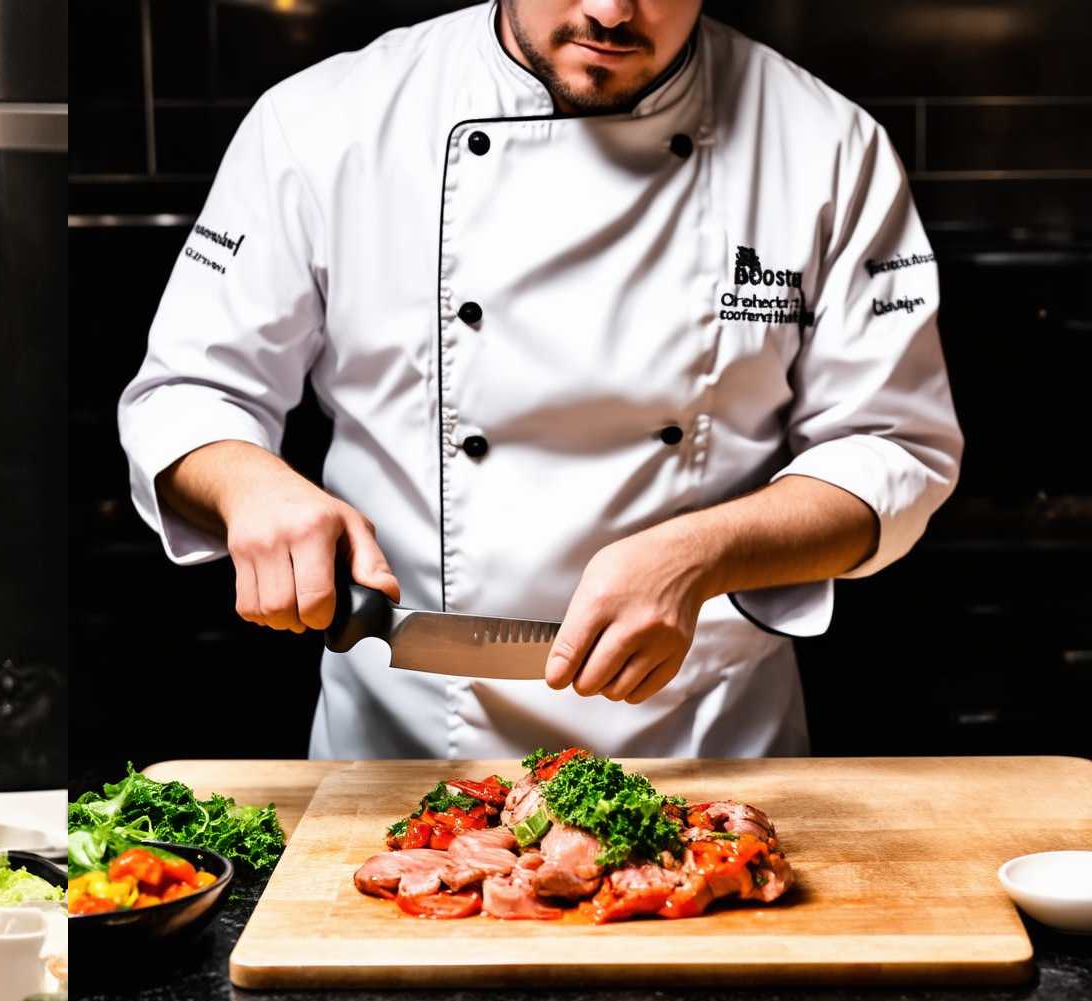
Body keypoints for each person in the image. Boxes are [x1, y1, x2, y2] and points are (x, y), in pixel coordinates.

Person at [118, 0, 963, 761]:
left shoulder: (827, 147)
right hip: (406, 745)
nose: (611, 10)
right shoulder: (323, 123)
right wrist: (250, 487)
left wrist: (702, 553)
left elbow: (893, 448)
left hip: (706, 738)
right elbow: (189, 390)